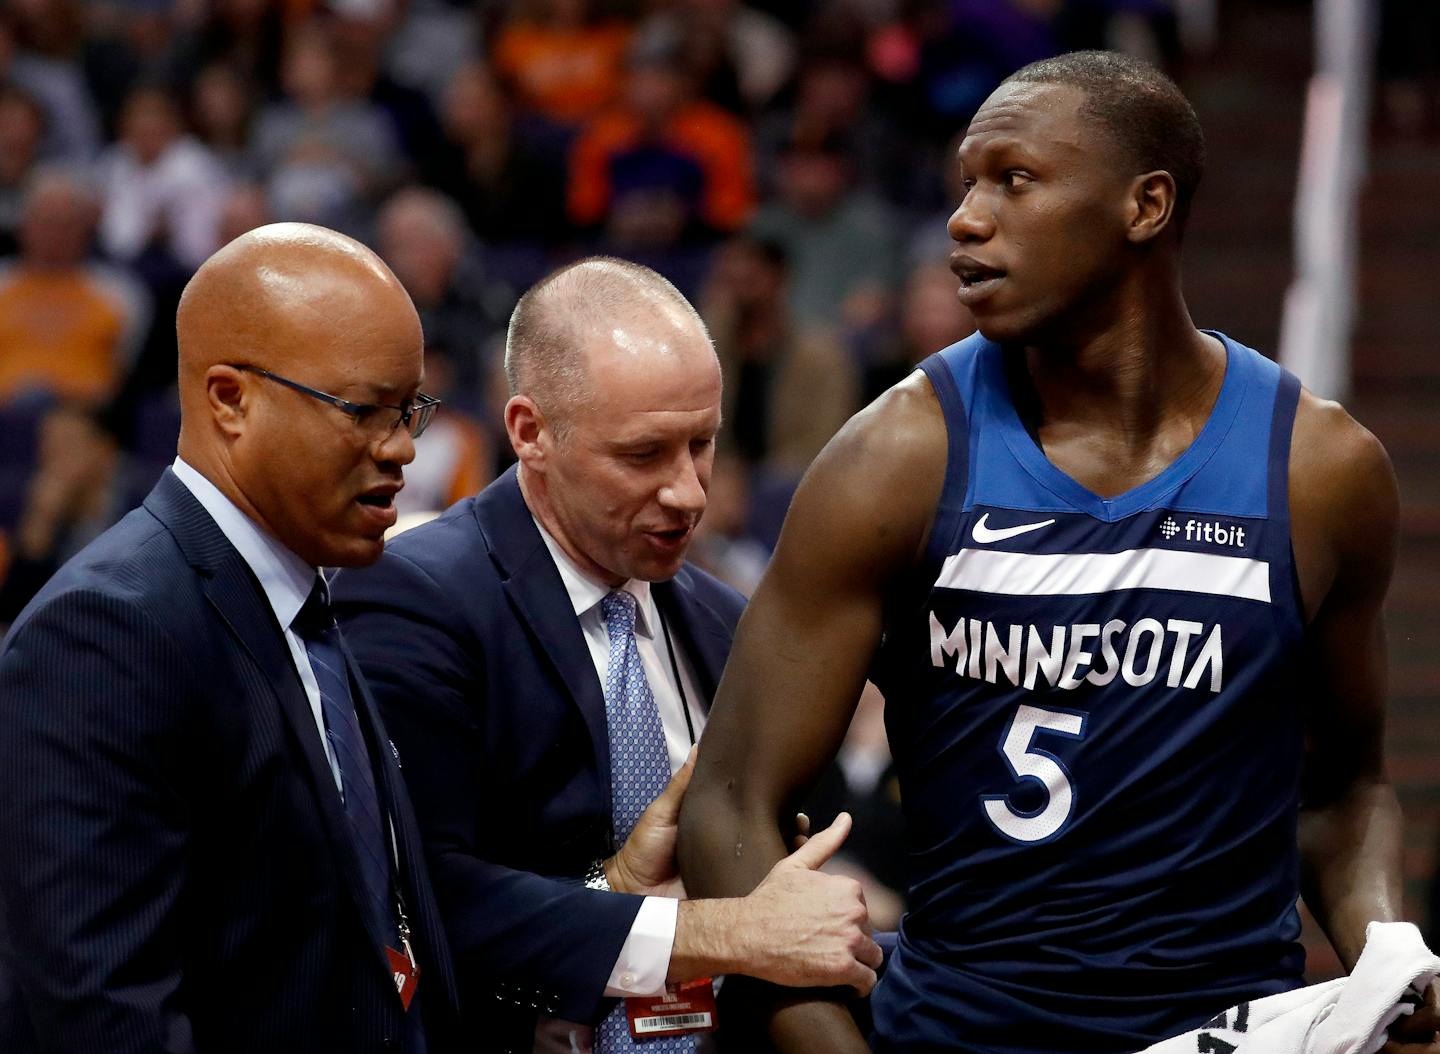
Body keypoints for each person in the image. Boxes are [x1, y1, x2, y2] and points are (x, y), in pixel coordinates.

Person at [678, 50, 1439, 1054]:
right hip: (955, 1033)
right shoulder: (894, 458)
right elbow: (729, 802)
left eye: (1015, 178)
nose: (966, 218)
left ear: (1146, 205)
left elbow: (1343, 792)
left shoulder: (1321, 470)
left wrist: (1392, 953)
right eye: (966, 182)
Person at [332, 257, 881, 1053]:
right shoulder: (410, 598)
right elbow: (422, 905)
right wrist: (712, 931)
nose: (689, 491)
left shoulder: (730, 621)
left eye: (702, 444)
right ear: (530, 433)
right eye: (644, 454)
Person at [0, 222, 461, 1052]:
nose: (401, 450)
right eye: (364, 411)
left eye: (410, 411)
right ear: (229, 399)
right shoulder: (106, 632)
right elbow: (106, 1015)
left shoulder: (305, 599)